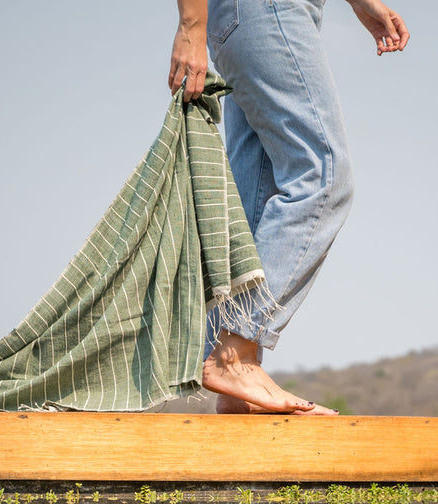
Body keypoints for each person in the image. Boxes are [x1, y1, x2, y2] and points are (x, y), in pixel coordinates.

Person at [168, 0, 409, 416]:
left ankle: (238, 386)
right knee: (323, 175)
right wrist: (191, 25)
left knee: (261, 193)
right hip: (268, 8)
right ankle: (232, 356)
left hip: (253, 16)